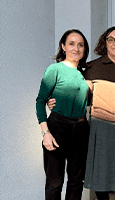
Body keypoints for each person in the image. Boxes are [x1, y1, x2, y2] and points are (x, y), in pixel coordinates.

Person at [48, 26, 115, 200]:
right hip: (100, 126)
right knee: (101, 172)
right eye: (111, 39)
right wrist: (52, 100)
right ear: (104, 43)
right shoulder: (91, 67)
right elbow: (75, 91)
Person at [36, 29, 90, 200]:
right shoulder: (55, 69)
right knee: (54, 182)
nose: (76, 48)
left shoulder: (84, 74)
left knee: (76, 181)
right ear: (63, 46)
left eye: (80, 45)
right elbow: (40, 101)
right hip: (58, 127)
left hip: (81, 129)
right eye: (71, 44)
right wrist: (46, 133)